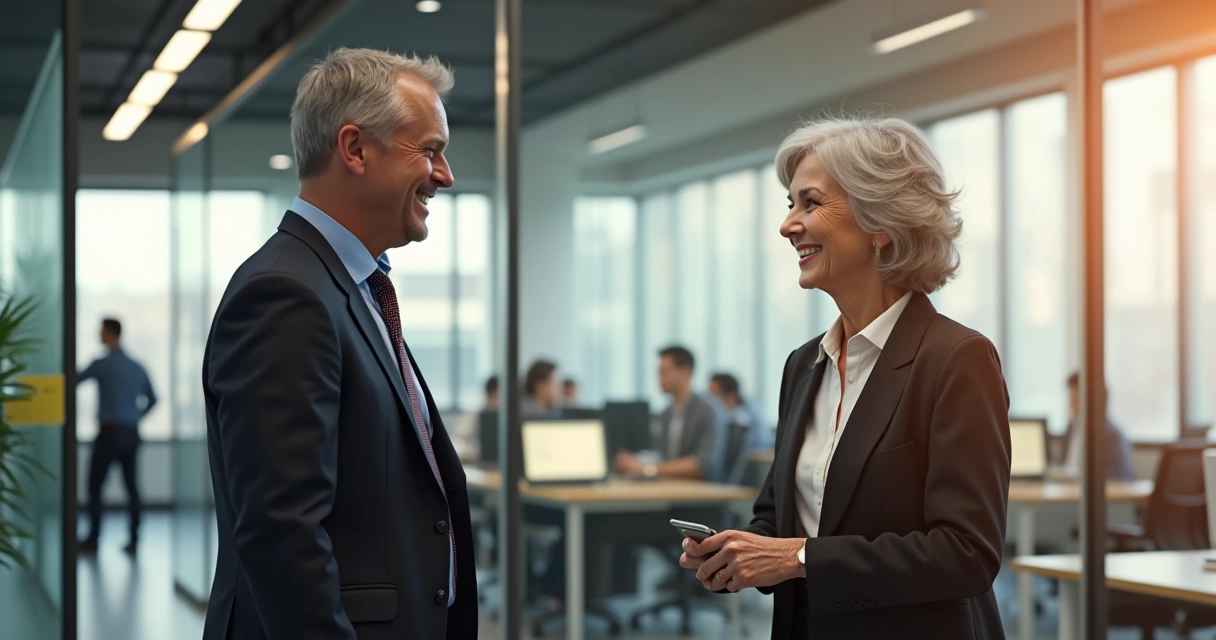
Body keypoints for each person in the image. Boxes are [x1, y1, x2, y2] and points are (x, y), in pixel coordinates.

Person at [679, 117, 1010, 640]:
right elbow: (780, 520)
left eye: (810, 203)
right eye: (790, 205)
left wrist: (797, 557)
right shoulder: (803, 364)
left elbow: (965, 553)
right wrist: (740, 550)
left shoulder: (955, 359)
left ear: (881, 223)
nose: (789, 225)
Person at [202, 48, 476, 640]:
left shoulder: (351, 287)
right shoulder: (285, 294)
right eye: (429, 150)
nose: (445, 175)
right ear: (354, 149)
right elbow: (283, 536)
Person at [77, 318, 156, 555]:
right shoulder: (137, 365)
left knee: (95, 486)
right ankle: (134, 539)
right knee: (132, 487)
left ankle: (93, 538)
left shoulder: (103, 364)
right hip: (131, 433)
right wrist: (134, 417)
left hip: (110, 432)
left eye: (100, 331)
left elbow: (75, 379)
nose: (98, 335)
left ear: (110, 333)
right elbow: (153, 399)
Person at [614, 346, 725, 481]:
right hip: (671, 489)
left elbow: (702, 464)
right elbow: (661, 456)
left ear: (686, 371)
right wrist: (635, 461)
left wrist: (646, 468)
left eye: (664, 372)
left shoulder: (708, 411)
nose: (659, 378)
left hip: (701, 494)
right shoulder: (666, 414)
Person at [1055, 372, 1136, 481]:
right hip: (1070, 492)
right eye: (1070, 398)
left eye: (1075, 399)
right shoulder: (1072, 427)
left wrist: (1080, 479)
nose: (1071, 404)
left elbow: (1118, 477)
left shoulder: (1112, 435)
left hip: (1101, 494)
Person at [708, 372, 773, 451]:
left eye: (714, 394)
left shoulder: (746, 415)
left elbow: (761, 443)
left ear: (731, 396)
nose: (709, 399)